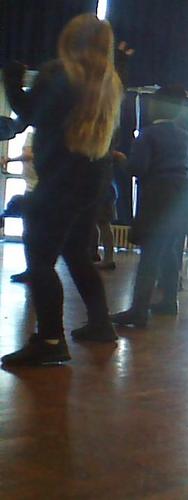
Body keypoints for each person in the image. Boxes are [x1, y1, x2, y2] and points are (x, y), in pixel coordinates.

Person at [1, 14, 123, 366]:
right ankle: (101, 325)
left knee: (40, 260)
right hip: (92, 181)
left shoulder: (59, 72)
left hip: (59, 180)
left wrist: (12, 79)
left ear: (70, 40)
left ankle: (50, 340)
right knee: (75, 253)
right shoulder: (109, 81)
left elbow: (29, 114)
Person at [112, 85, 188, 327]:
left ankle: (138, 311)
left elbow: (137, 168)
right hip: (182, 200)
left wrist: (121, 160)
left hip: (158, 199)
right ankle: (169, 302)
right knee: (170, 251)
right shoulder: (186, 136)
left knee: (149, 255)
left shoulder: (148, 135)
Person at [1, 131, 36, 283]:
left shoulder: (36, 134)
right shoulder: (36, 133)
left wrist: (9, 159)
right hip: (32, 186)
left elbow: (29, 155)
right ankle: (33, 269)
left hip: (36, 188)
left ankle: (35, 270)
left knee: (30, 232)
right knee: (29, 232)